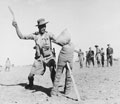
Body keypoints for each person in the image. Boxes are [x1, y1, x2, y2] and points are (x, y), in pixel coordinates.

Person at [12, 18, 56, 89]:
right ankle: (31, 85)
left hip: (49, 57)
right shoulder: (35, 36)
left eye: (44, 26)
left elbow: (57, 40)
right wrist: (16, 27)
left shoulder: (49, 34)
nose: (43, 28)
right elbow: (22, 36)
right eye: (41, 26)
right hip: (39, 59)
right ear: (38, 27)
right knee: (30, 76)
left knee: (53, 71)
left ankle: (55, 87)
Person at [50, 29, 74, 97]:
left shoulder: (64, 47)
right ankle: (67, 91)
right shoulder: (72, 45)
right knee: (69, 77)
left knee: (58, 76)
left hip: (61, 62)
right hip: (69, 62)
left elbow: (57, 41)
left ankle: (54, 91)